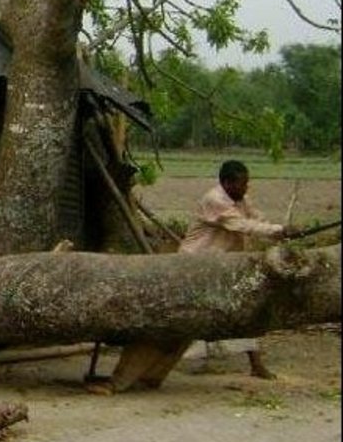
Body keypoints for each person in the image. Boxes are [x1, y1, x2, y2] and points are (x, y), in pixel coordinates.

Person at [87, 159, 294, 394]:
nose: (246, 188)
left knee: (187, 330)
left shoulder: (241, 200)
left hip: (215, 273)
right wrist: (278, 230)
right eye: (242, 184)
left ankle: (152, 378)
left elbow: (256, 221)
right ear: (227, 183)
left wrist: (281, 231)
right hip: (190, 271)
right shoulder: (214, 200)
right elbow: (241, 225)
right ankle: (118, 383)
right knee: (164, 328)